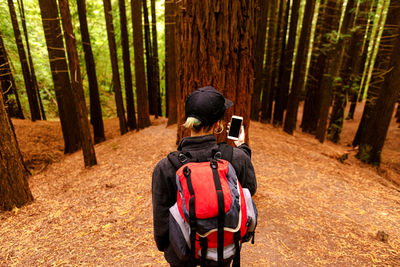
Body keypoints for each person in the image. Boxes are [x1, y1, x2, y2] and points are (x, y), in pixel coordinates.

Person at [152, 86, 257, 267]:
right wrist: (241, 146)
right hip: (222, 250)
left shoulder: (165, 167)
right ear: (218, 124)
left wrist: (170, 250)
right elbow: (249, 188)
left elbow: (161, 226)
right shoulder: (236, 158)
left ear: (189, 122)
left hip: (182, 254)